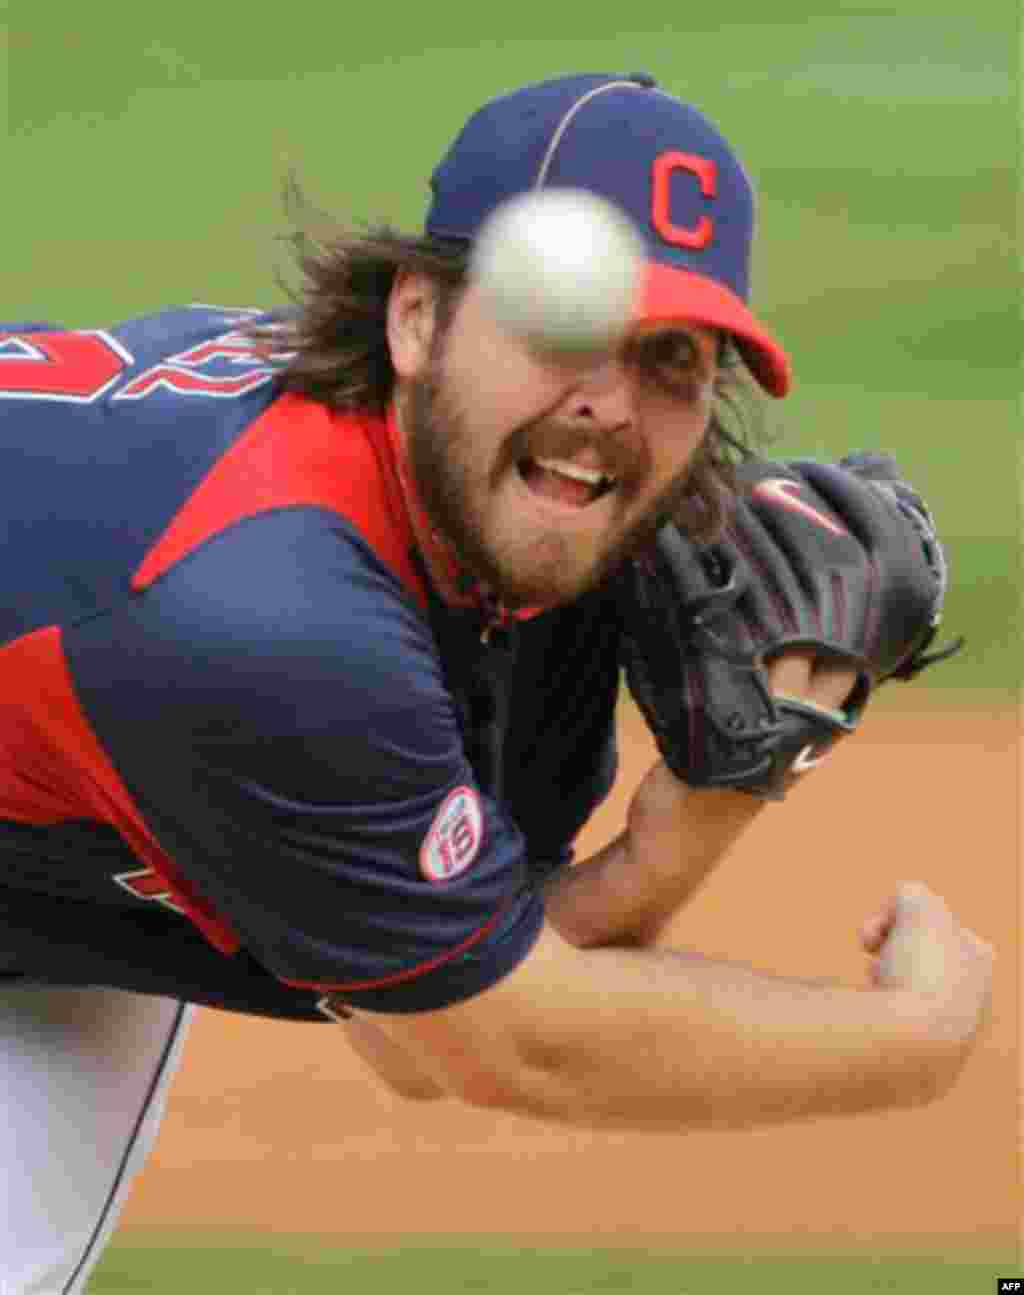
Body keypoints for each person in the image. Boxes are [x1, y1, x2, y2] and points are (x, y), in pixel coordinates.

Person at [0, 73, 991, 1292]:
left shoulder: (515, 549)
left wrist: (703, 802)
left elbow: (419, 1003)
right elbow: (495, 1044)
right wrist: (913, 1041)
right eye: (561, 324)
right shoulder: (272, 616)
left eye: (671, 359)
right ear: (415, 321)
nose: (607, 406)